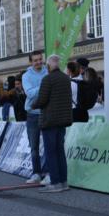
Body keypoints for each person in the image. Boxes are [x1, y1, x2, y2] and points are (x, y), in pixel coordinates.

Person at [31, 55, 73, 193]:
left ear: (49, 65)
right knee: (60, 151)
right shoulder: (66, 78)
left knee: (51, 153)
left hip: (49, 121)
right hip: (62, 121)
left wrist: (33, 104)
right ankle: (63, 182)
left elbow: (42, 100)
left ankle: (55, 182)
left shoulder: (47, 79)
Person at [21, 50, 47, 185]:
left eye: (40, 59)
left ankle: (48, 173)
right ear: (31, 62)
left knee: (49, 145)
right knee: (34, 147)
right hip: (32, 115)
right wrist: (44, 86)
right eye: (35, 60)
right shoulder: (26, 76)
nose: (38, 62)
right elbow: (30, 94)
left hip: (46, 113)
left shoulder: (48, 72)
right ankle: (36, 173)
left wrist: (39, 89)